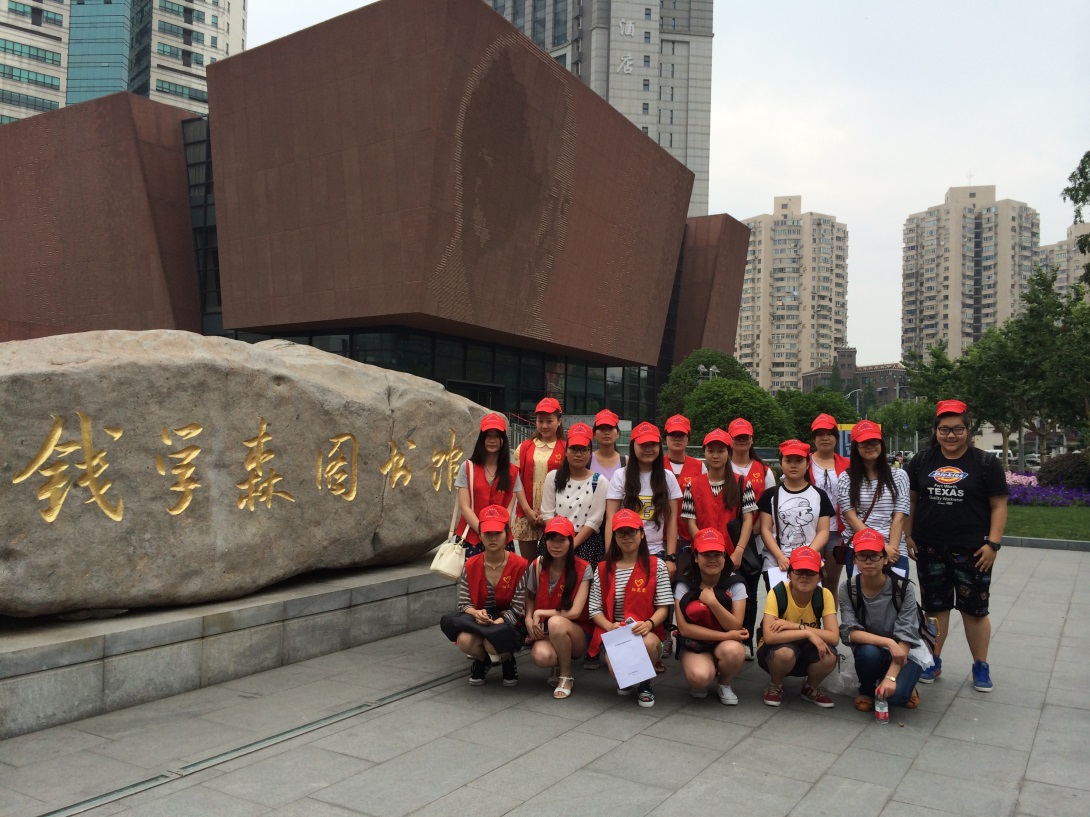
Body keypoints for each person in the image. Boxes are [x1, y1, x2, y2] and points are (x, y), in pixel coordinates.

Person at [905, 399, 1008, 692]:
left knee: (975, 611)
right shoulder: (922, 461)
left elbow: (999, 505)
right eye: (945, 429)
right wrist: (909, 536)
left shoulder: (985, 463)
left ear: (967, 430)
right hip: (929, 548)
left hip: (973, 551)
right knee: (934, 609)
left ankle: (980, 665)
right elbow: (911, 501)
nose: (951, 435)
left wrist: (993, 544)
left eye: (957, 429)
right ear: (936, 431)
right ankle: (932, 660)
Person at [587, 509, 673, 707]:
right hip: (617, 632)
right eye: (621, 533)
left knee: (648, 644)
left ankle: (644, 683)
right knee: (614, 669)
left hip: (647, 631)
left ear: (642, 534)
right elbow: (594, 610)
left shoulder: (657, 565)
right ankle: (626, 678)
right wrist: (609, 626)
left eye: (631, 532)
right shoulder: (603, 568)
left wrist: (649, 624)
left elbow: (664, 607)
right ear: (615, 537)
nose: (626, 537)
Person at [439, 505, 529, 686]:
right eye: (488, 533)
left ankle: (507, 660)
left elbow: (519, 607)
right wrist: (476, 613)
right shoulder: (470, 564)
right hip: (480, 619)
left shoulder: (521, 565)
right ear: (480, 535)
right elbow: (464, 603)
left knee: (493, 639)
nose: (492, 538)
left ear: (507, 534)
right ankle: (482, 660)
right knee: (464, 640)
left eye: (498, 533)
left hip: (508, 621)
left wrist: (497, 622)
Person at [838, 528, 924, 711]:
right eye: (862, 556)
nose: (868, 561)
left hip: (904, 648)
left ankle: (901, 681)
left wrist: (891, 677)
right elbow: (849, 632)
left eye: (874, 556)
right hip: (873, 647)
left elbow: (907, 633)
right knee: (867, 653)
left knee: (897, 698)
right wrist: (888, 643)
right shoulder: (848, 588)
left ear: (885, 559)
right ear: (854, 560)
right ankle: (867, 689)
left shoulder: (903, 588)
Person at [757, 547, 839, 707]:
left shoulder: (824, 595)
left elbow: (834, 637)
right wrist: (807, 633)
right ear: (789, 574)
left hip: (807, 648)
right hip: (776, 652)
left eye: (811, 572)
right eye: (799, 571)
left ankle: (810, 687)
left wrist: (795, 626)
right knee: (784, 653)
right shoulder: (777, 592)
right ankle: (775, 685)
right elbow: (770, 637)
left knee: (830, 656)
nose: (804, 576)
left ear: (820, 576)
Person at [674, 528, 748, 705]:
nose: (712, 560)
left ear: (725, 556)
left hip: (725, 644)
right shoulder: (684, 583)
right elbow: (684, 629)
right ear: (695, 557)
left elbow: (735, 625)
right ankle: (704, 668)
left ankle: (725, 683)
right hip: (694, 642)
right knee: (700, 679)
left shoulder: (736, 583)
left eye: (717, 554)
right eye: (706, 555)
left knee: (735, 651)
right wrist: (727, 636)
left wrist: (712, 602)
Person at [525, 516, 593, 699]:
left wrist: (540, 612)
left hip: (576, 631)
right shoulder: (537, 565)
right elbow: (530, 598)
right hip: (546, 630)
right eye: (551, 539)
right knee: (541, 656)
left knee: (556, 622)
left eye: (562, 540)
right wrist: (529, 619)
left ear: (571, 541)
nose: (556, 545)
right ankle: (556, 664)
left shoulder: (584, 568)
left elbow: (575, 612)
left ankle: (565, 675)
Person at [838, 420, 911, 579]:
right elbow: (850, 518)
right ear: (856, 447)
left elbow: (899, 517)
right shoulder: (846, 478)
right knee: (860, 594)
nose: (870, 446)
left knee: (897, 593)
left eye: (874, 441)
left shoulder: (899, 476)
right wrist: (881, 547)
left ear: (881, 443)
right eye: (864, 443)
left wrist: (890, 550)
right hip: (861, 550)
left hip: (894, 549)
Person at [729, 417, 777, 656]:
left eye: (745, 437)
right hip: (726, 538)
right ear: (730, 440)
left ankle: (746, 639)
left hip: (755, 540)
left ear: (751, 439)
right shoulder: (721, 466)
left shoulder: (764, 470)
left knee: (749, 592)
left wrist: (754, 529)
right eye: (737, 437)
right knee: (727, 591)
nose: (741, 440)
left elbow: (769, 505)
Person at [758, 439, 834, 588]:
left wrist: (807, 555)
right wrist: (780, 556)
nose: (793, 465)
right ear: (781, 463)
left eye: (799, 461)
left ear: (807, 464)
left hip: (809, 562)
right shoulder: (770, 495)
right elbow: (765, 529)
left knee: (809, 601)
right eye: (788, 460)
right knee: (778, 601)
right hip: (777, 563)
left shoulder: (819, 495)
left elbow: (823, 531)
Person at [682, 429, 756, 570]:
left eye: (721, 451)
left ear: (729, 453)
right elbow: (691, 522)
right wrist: (704, 549)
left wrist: (739, 551)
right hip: (702, 555)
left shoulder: (743, 483)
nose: (715, 456)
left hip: (733, 553)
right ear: (704, 452)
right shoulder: (693, 485)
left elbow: (748, 520)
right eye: (710, 451)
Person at [539, 422, 607, 565]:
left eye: (583, 450)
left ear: (590, 453)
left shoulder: (599, 481)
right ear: (566, 451)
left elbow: (594, 520)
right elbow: (547, 513)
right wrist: (559, 541)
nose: (578, 454)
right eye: (574, 449)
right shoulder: (553, 477)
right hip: (554, 540)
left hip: (585, 543)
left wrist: (571, 545)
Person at [455, 413, 523, 556]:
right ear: (482, 439)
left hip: (501, 538)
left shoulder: (512, 472)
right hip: (472, 537)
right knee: (471, 571)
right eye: (488, 436)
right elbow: (465, 507)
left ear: (503, 440)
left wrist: (497, 534)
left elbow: (508, 510)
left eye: (497, 436)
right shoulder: (467, 467)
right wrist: (483, 531)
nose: (492, 440)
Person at [513, 397, 566, 560]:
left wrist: (548, 514)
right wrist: (527, 510)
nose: (544, 426)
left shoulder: (566, 448)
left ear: (559, 421)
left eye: (549, 421)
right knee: (528, 565)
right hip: (527, 511)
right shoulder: (524, 446)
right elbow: (516, 480)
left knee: (552, 563)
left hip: (554, 513)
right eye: (540, 421)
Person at [810, 413, 849, 599]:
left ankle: (830, 618)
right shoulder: (803, 462)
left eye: (829, 434)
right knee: (809, 580)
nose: (824, 438)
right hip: (810, 530)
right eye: (820, 434)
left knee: (831, 582)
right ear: (814, 439)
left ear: (836, 438)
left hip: (837, 531)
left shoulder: (847, 464)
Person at [663, 414, 706, 550]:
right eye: (672, 434)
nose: (677, 438)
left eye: (681, 435)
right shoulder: (656, 465)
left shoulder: (699, 467)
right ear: (665, 438)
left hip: (689, 534)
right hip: (660, 536)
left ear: (688, 439)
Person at [590, 409, 626, 480]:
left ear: (618, 433)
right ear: (594, 434)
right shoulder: (587, 460)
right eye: (602, 429)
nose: (606, 432)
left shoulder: (626, 462)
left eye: (610, 428)